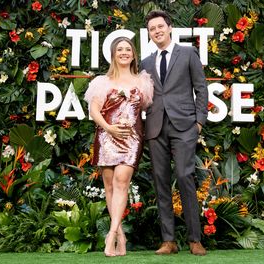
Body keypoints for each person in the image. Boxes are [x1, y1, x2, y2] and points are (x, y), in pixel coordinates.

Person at [140, 10, 208, 256]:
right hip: (156, 127)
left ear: (169, 27)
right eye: (152, 29)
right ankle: (168, 240)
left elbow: (201, 88)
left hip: (184, 126)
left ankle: (194, 239)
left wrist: (198, 122)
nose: (156, 31)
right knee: (161, 182)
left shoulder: (188, 53)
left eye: (160, 26)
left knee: (184, 176)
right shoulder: (146, 62)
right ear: (149, 34)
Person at [84, 37, 153, 257]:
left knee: (121, 181)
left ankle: (111, 234)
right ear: (113, 54)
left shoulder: (143, 82)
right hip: (106, 137)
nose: (124, 52)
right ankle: (121, 236)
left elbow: (142, 111)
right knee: (110, 187)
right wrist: (109, 128)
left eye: (128, 49)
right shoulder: (101, 82)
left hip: (132, 139)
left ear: (133, 55)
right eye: (120, 49)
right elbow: (94, 111)